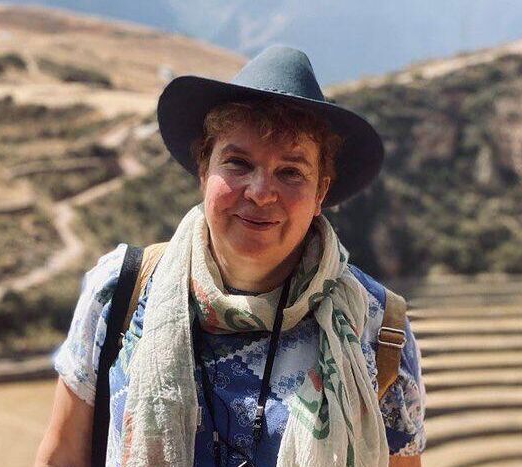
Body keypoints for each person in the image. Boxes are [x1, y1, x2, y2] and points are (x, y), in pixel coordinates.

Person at [36, 45, 425, 467]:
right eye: (238, 163)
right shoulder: (120, 291)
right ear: (204, 170)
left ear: (320, 193)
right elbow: (61, 458)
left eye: (290, 172)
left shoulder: (378, 328)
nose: (260, 192)